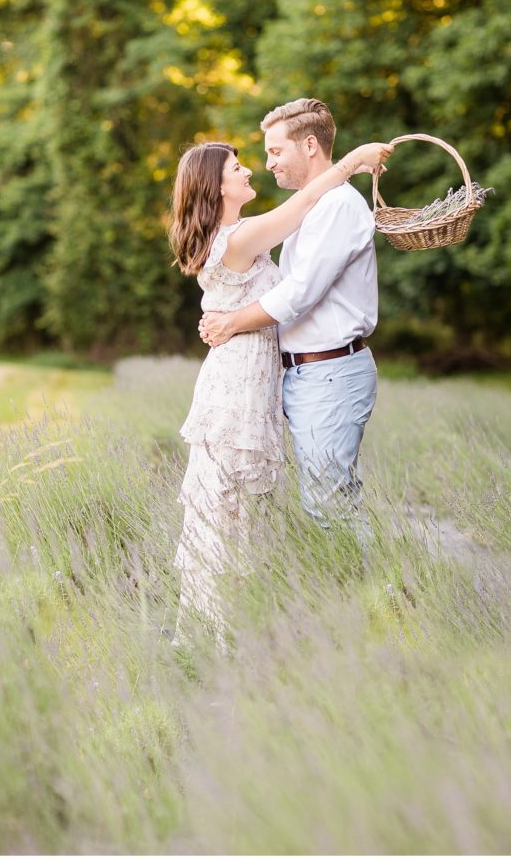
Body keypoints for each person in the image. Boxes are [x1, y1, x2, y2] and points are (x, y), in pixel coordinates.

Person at [169, 135, 392, 647]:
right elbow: (305, 201)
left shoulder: (231, 237)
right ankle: (224, 634)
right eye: (237, 168)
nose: (249, 172)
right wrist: (355, 161)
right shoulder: (240, 238)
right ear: (216, 188)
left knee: (233, 503)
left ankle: (225, 628)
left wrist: (228, 322)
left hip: (246, 375)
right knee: (232, 503)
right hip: (240, 383)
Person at [199, 98, 390, 536]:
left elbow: (299, 294)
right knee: (319, 499)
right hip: (303, 376)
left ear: (309, 146)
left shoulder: (338, 205)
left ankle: (380, 599)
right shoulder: (311, 207)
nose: (267, 164)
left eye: (275, 151)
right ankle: (351, 592)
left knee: (328, 502)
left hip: (330, 371)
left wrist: (231, 322)